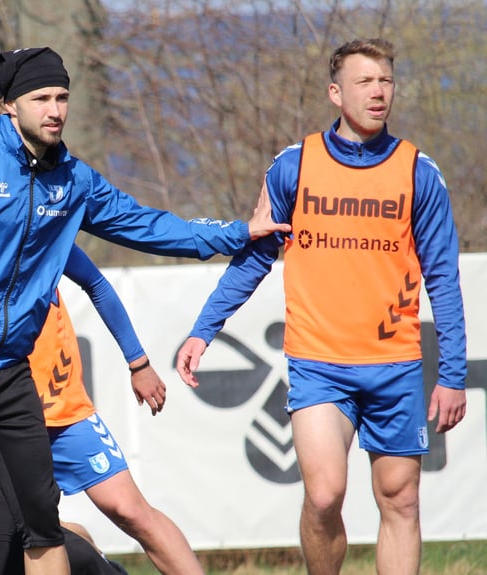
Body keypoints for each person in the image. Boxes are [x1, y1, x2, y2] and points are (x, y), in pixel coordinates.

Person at [0, 47, 289, 575]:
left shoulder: (72, 179)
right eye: (41, 98)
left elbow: (148, 225)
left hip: (10, 374)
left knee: (41, 519)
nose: (54, 109)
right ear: (11, 107)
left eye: (62, 97)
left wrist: (236, 232)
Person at [174, 38, 466, 575]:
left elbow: (444, 278)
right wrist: (202, 330)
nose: (378, 92)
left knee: (400, 499)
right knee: (326, 494)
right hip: (318, 364)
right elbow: (253, 259)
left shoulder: (417, 172)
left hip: (395, 365)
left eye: (386, 81)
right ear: (336, 93)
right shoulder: (294, 165)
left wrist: (451, 373)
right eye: (365, 82)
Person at [0, 82, 203, 573]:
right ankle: (96, 565)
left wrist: (138, 362)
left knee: (130, 511)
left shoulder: (41, 219)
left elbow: (98, 286)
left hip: (61, 407)